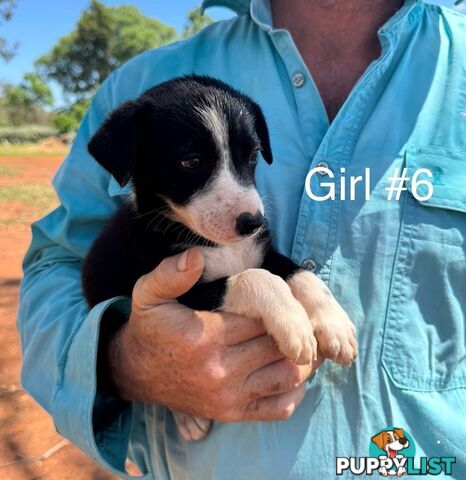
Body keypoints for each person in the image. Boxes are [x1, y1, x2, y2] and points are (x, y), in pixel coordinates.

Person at [18, 0, 466, 478]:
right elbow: (60, 263)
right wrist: (125, 363)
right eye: (193, 164)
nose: (248, 206)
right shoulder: (141, 87)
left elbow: (266, 261)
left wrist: (306, 293)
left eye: (249, 161)